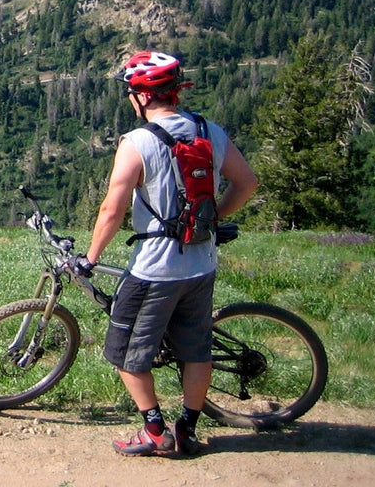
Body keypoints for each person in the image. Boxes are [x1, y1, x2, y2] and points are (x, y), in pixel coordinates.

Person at [72, 51, 258, 457]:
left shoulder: (137, 143)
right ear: (175, 92)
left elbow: (111, 209)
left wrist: (90, 257)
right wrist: (211, 221)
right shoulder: (210, 131)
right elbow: (247, 183)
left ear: (140, 96)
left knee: (126, 353)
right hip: (201, 264)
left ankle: (155, 431)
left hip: (155, 269)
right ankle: (188, 430)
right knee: (196, 349)